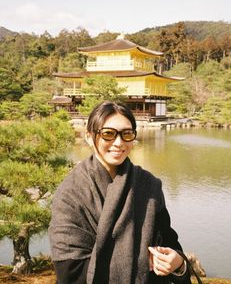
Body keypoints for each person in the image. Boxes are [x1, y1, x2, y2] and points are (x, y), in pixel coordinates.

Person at [49, 100, 191, 284]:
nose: (119, 143)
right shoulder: (71, 193)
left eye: (127, 134)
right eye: (108, 134)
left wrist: (178, 263)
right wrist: (139, 260)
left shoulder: (148, 185)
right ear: (89, 136)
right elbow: (70, 270)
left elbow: (169, 242)